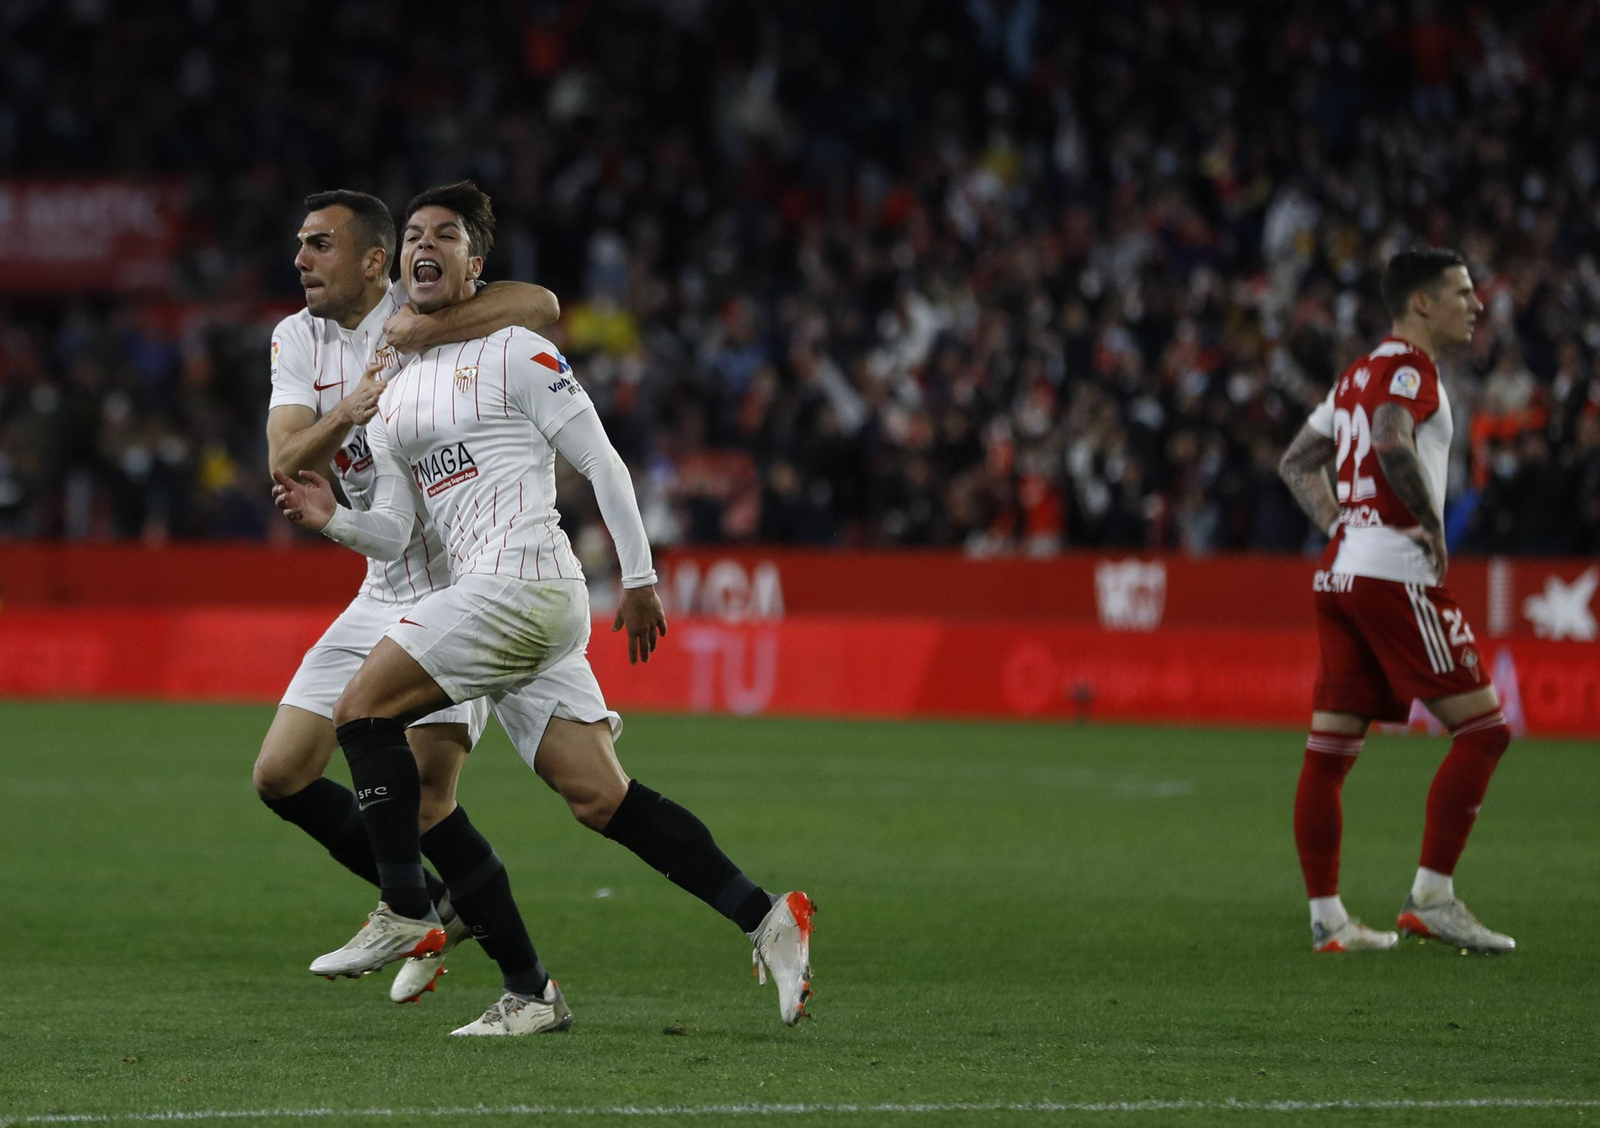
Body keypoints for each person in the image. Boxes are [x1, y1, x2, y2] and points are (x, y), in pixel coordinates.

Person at [272, 181, 815, 1036]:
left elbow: (603, 464)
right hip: (484, 601)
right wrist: (332, 518)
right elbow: (398, 530)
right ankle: (763, 918)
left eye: (444, 235)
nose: (426, 244)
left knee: (361, 711)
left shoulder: (516, 350)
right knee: (599, 794)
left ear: (473, 265)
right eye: (415, 231)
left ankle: (409, 907)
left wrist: (638, 579)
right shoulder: (397, 384)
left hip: (523, 584)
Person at [257, 189, 562, 1005]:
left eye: (318, 244)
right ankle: (428, 902)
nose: (300, 260)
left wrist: (426, 330)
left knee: (429, 803)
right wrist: (350, 412)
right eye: (300, 242)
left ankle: (525, 985)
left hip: (457, 586)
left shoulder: (424, 308)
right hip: (378, 583)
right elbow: (287, 455)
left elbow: (540, 304)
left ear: (373, 260)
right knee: (281, 774)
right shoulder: (298, 338)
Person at [1277, 248, 1513, 954]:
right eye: (1462, 293)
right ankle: (1432, 897)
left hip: (1341, 575)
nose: (1475, 305)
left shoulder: (1353, 374)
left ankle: (1328, 919)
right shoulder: (1411, 370)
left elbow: (1295, 462)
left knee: (1329, 754)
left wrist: (1340, 525)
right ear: (1421, 304)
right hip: (1393, 573)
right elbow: (1389, 439)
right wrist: (1429, 524)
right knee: (1485, 731)